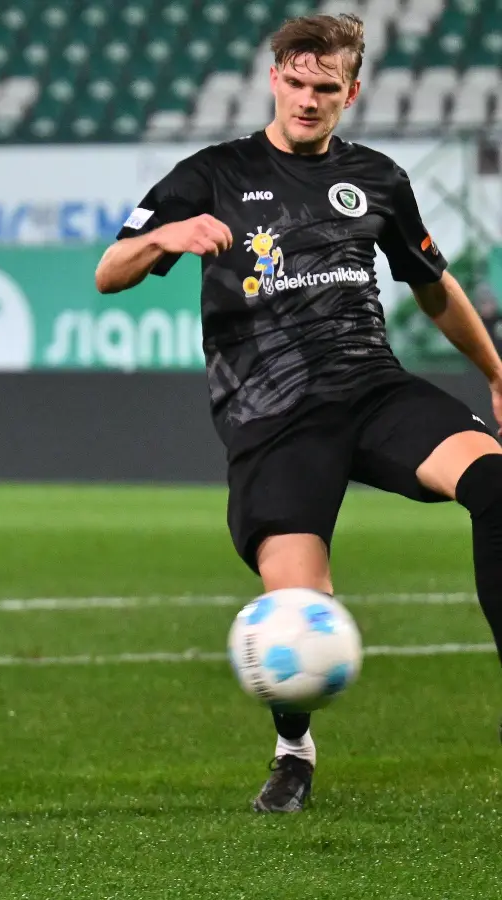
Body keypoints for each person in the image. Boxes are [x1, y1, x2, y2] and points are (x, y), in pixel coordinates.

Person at [96, 13, 502, 814]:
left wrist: (495, 371)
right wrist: (169, 236)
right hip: (275, 416)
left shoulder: (379, 178)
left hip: (375, 390)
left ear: (351, 92)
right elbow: (111, 271)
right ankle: (294, 751)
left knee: (496, 483)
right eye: (297, 82)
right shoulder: (210, 172)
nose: (309, 99)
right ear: (274, 77)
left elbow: (431, 284)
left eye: (327, 88)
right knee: (299, 617)